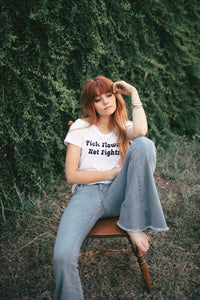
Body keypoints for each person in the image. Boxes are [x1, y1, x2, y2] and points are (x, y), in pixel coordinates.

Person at [53, 76, 168, 300]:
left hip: (120, 193)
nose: (106, 102)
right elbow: (71, 175)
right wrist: (110, 173)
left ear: (116, 96)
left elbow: (142, 132)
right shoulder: (81, 127)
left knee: (144, 144)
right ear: (91, 104)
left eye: (109, 95)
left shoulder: (123, 127)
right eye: (98, 99)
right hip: (87, 195)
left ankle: (132, 223)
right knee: (62, 256)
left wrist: (133, 92)